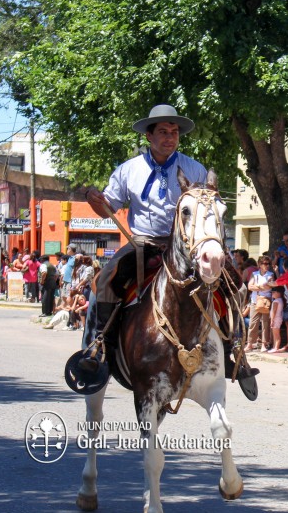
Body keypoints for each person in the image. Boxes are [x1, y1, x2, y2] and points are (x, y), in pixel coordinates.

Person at [79, 104, 209, 373]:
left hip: (184, 246)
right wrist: (94, 201)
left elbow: (206, 209)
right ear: (149, 136)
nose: (170, 137)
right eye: (163, 132)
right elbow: (108, 209)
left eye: (174, 132)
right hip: (142, 242)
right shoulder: (129, 170)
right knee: (103, 282)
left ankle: (235, 352)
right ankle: (97, 345)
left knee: (227, 281)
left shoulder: (195, 170)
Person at [246, 256, 275, 352]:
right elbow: (250, 286)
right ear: (259, 264)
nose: (267, 266)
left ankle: (264, 344)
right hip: (255, 301)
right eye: (264, 264)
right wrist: (261, 287)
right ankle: (250, 343)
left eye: (268, 264)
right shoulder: (255, 274)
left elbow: (268, 286)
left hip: (266, 301)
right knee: (253, 323)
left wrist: (257, 287)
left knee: (265, 323)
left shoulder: (270, 274)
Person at [266, 286, 287, 353]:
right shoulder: (280, 300)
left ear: (278, 293)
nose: (272, 294)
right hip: (278, 318)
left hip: (276, 319)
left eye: (274, 292)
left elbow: (274, 312)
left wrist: (272, 320)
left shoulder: (276, 301)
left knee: (276, 334)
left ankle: (276, 347)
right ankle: (275, 347)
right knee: (275, 334)